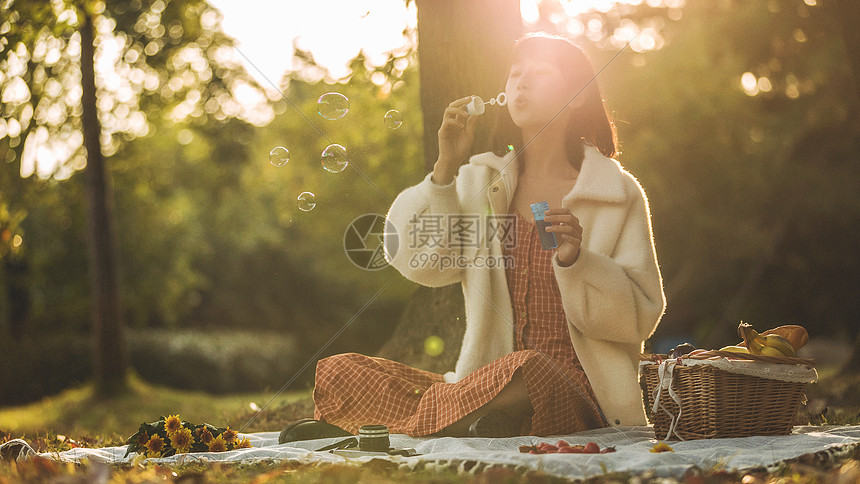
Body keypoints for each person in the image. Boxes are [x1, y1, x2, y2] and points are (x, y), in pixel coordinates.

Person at [282, 32, 665, 443]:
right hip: (484, 386)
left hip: (576, 393)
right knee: (343, 369)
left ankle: (398, 427)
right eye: (515, 73)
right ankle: (477, 419)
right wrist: (445, 168)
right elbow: (419, 261)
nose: (521, 82)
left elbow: (641, 315)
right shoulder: (481, 182)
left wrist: (579, 263)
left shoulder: (616, 193)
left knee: (530, 368)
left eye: (540, 72)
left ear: (577, 97)